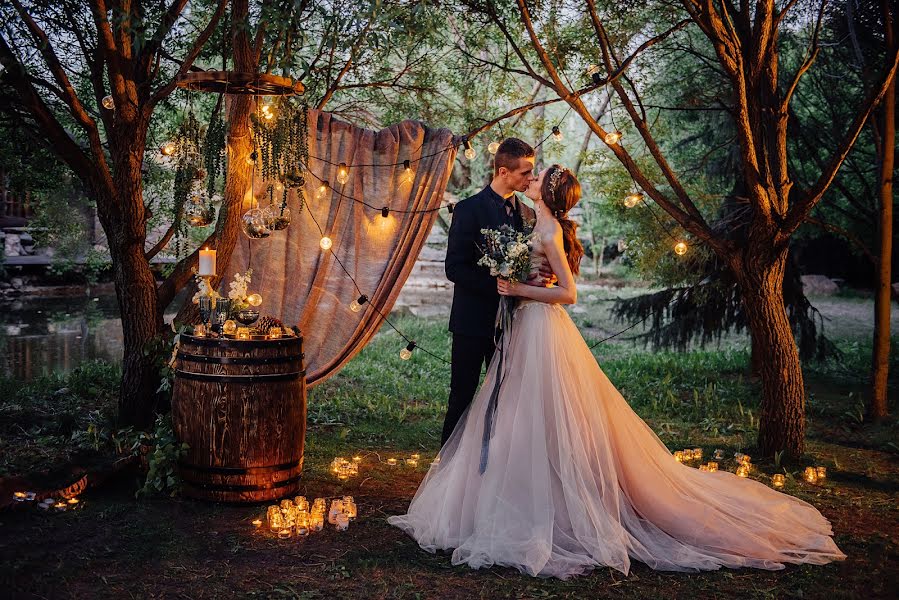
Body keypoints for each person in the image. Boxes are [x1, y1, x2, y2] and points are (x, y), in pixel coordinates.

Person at [388, 164, 845, 579]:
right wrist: (515, 286)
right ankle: (519, 495)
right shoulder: (537, 222)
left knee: (538, 413)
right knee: (517, 414)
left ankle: (550, 507)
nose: (530, 178)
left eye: (536, 176)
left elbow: (568, 294)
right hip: (524, 328)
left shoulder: (546, 229)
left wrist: (518, 290)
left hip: (541, 327)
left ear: (546, 193)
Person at [441, 137, 551, 446]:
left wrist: (533, 280)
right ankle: (446, 473)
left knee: (503, 399)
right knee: (462, 396)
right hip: (472, 323)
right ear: (503, 171)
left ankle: (491, 470)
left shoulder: (529, 216)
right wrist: (499, 287)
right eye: (525, 173)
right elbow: (454, 268)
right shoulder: (468, 210)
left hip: (514, 325)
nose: (531, 179)